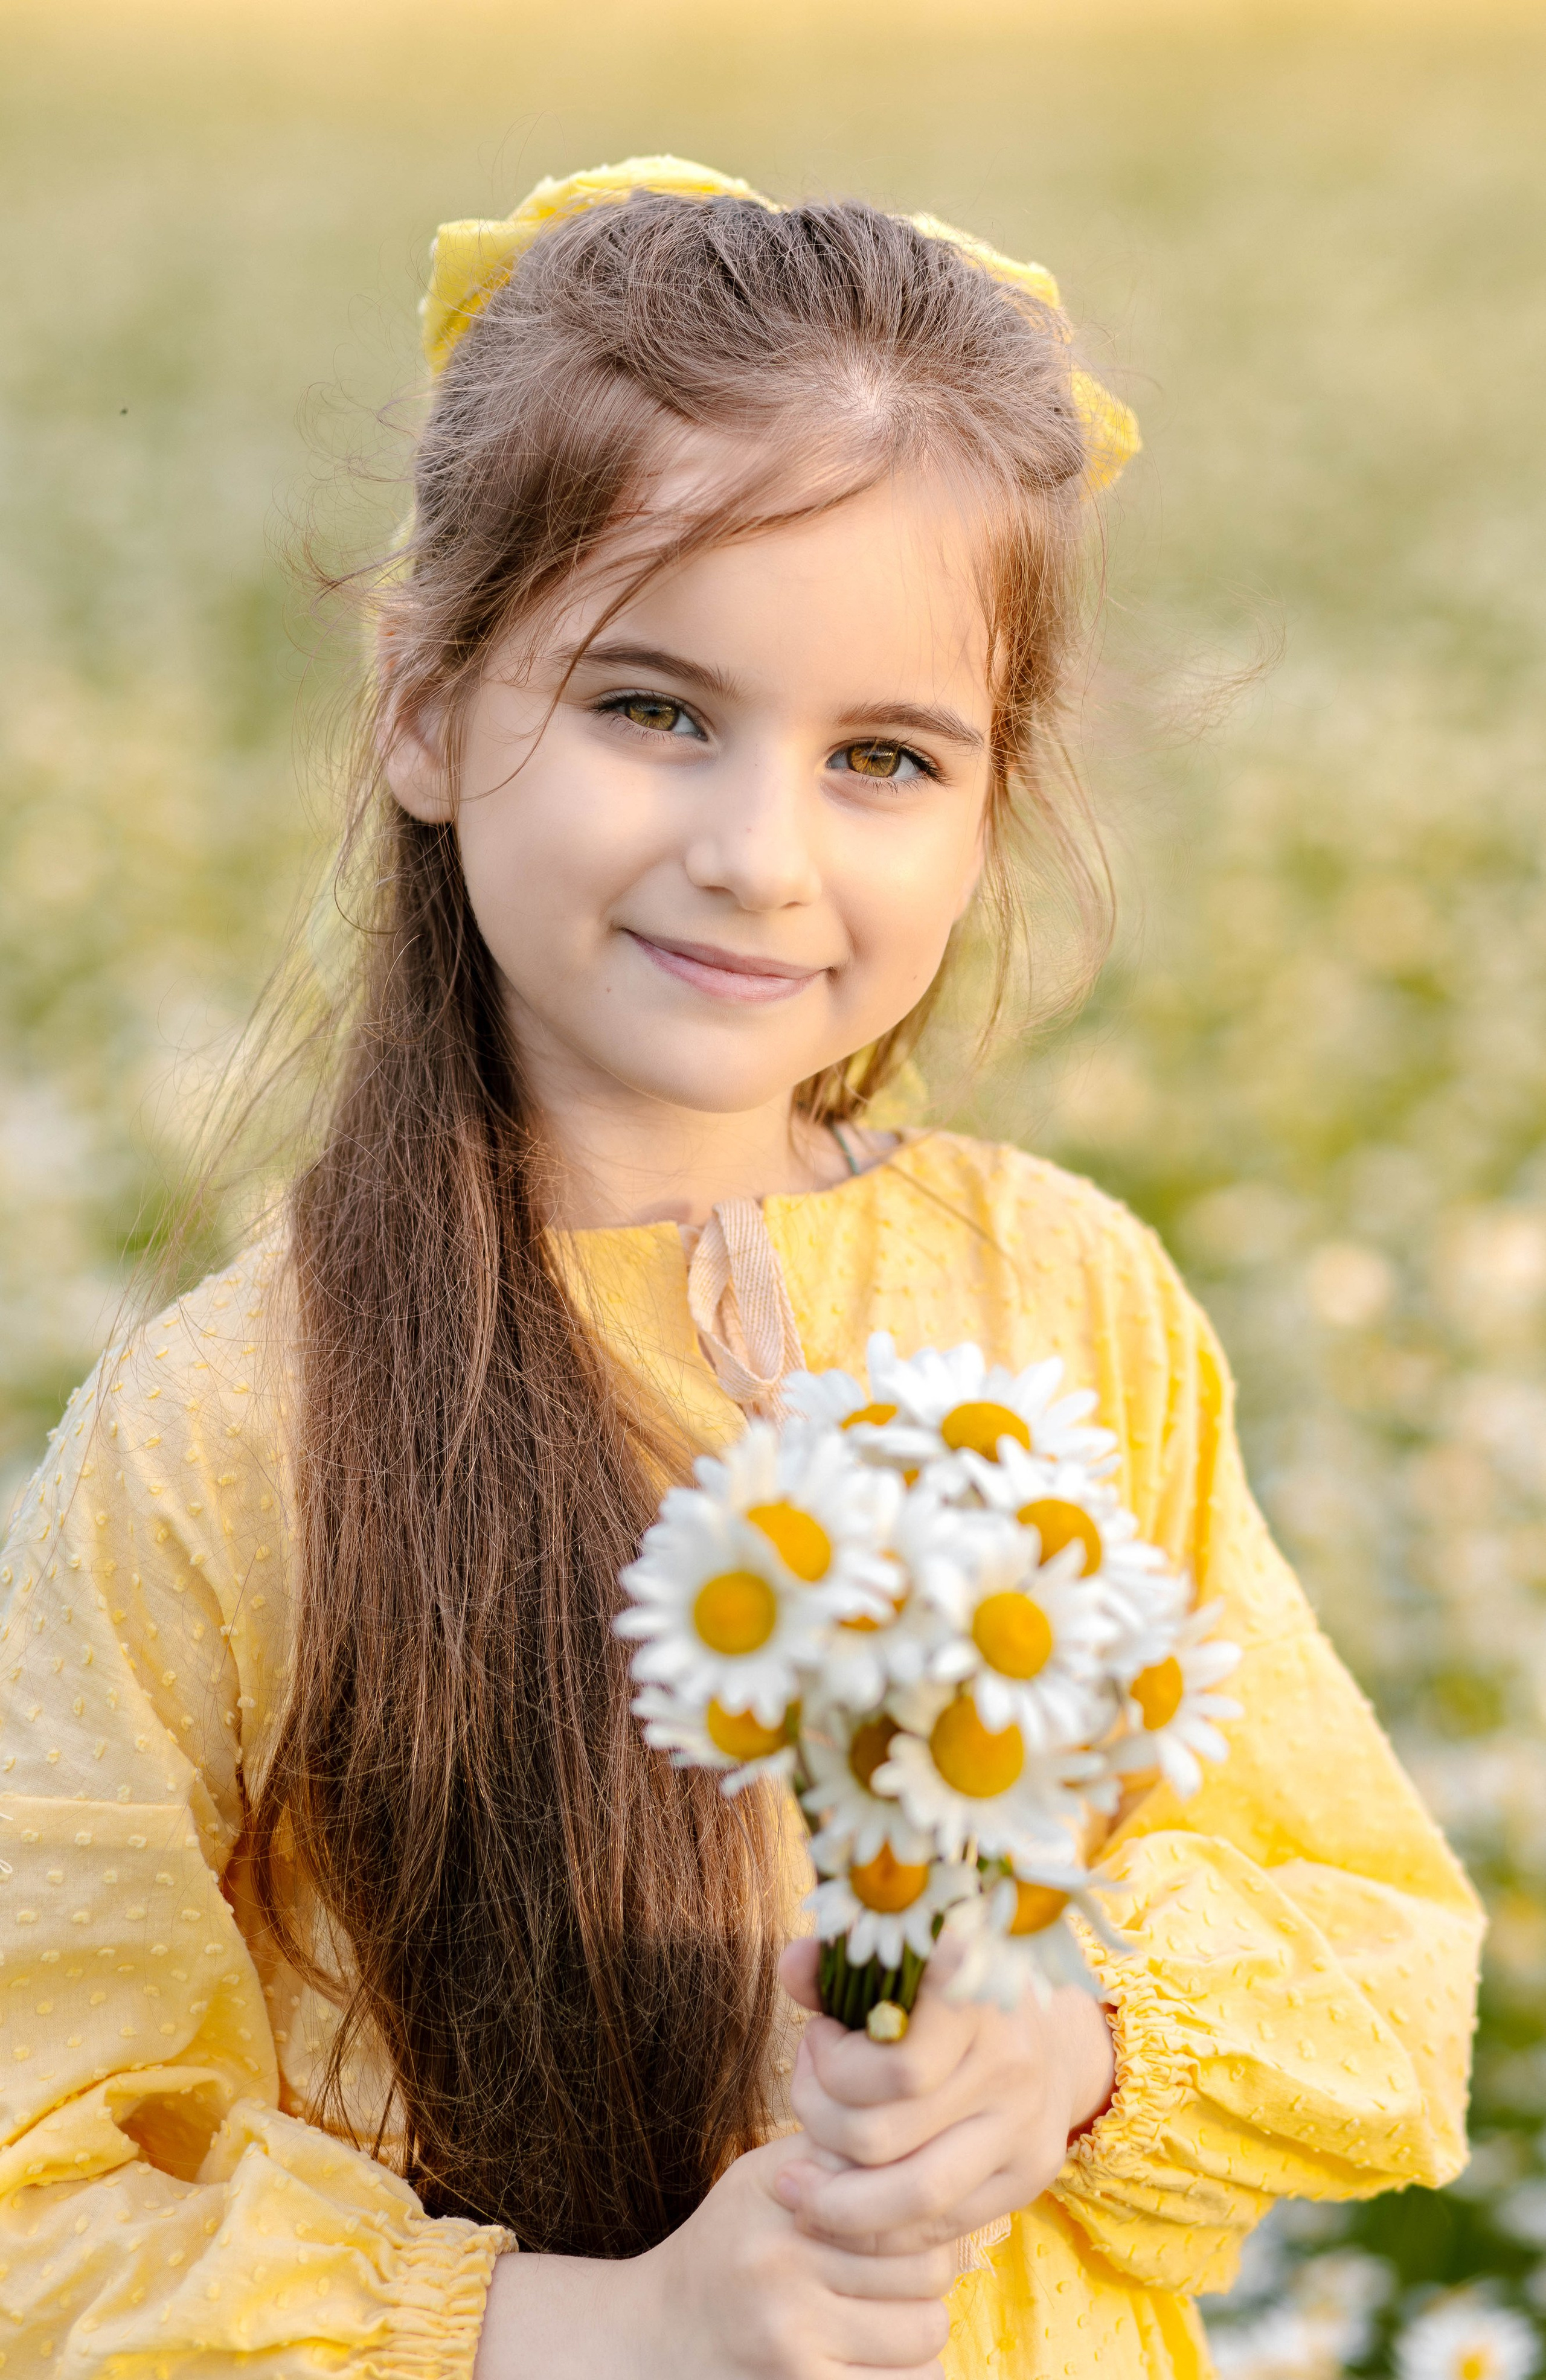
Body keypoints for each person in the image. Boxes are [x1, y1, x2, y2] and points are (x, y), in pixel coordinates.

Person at [0, 158, 1481, 2380]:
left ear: (993, 801)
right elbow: (49, 2178)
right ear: (422, 698)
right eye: (653, 709)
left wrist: (1067, 2040)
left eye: (883, 756)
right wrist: (600, 2330)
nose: (756, 852)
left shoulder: (1070, 1304)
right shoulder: (230, 1430)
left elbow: (1379, 1957)